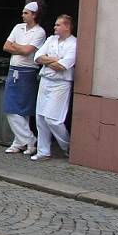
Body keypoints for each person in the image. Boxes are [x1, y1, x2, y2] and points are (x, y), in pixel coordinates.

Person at [2, 0, 46, 155]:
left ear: (34, 15)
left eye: (26, 13)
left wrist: (18, 47)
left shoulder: (39, 32)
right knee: (11, 107)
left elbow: (28, 51)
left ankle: (24, 141)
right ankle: (26, 141)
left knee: (22, 109)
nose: (23, 15)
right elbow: (6, 46)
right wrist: (20, 49)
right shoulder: (18, 27)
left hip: (27, 71)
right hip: (13, 69)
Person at [31, 14, 77, 161]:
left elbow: (63, 66)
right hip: (45, 80)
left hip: (61, 83)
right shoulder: (51, 40)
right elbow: (37, 57)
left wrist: (47, 60)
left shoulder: (73, 43)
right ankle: (43, 151)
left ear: (67, 27)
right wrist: (54, 59)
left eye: (58, 25)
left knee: (53, 119)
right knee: (40, 118)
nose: (55, 27)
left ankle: (67, 146)